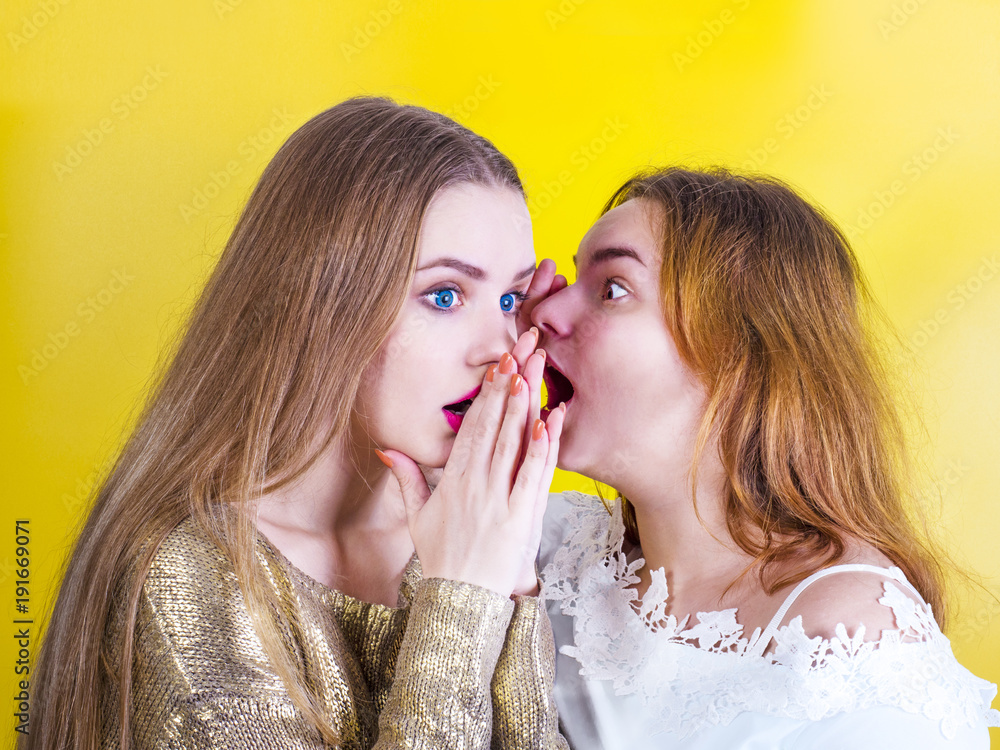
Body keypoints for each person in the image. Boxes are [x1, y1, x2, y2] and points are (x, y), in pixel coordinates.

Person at [25, 97, 568, 749]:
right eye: (444, 295)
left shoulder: (474, 522)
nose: (497, 345)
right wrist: (461, 599)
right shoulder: (188, 573)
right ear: (321, 303)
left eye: (510, 299)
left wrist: (508, 575)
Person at [533, 167, 999, 748]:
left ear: (741, 358)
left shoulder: (859, 661)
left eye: (613, 288)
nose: (540, 312)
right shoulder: (538, 547)